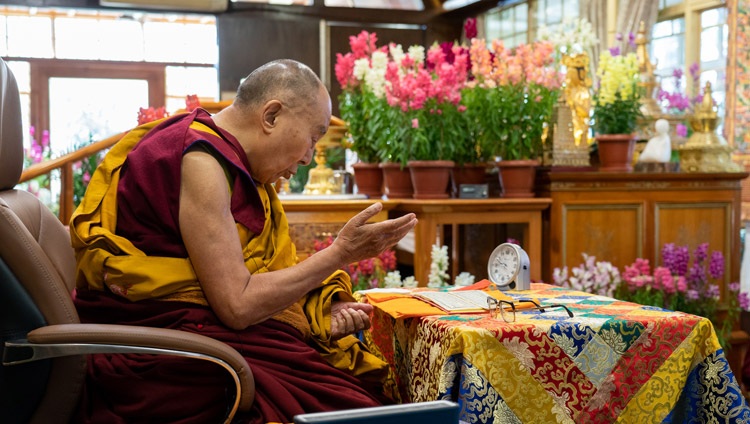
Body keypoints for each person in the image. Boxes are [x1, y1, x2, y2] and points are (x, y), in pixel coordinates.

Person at [69, 59, 417, 423]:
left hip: (205, 333)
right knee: (356, 409)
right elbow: (237, 305)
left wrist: (310, 313)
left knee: (362, 397)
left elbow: (252, 274)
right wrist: (340, 254)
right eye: (312, 138)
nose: (308, 157)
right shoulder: (202, 161)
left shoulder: (234, 164)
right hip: (170, 354)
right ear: (271, 116)